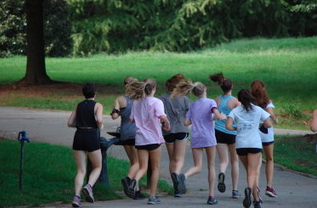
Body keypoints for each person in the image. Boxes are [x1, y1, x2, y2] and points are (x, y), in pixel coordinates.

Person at [171, 79, 226, 205]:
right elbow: (217, 115)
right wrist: (222, 116)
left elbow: (186, 122)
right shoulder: (211, 102)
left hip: (196, 137)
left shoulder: (193, 105)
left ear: (195, 93)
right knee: (210, 166)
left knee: (198, 166)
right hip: (208, 137)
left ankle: (184, 176)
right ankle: (211, 196)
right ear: (205, 89)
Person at [125, 78, 170, 205]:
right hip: (154, 138)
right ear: (154, 89)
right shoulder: (157, 102)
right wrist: (167, 122)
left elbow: (132, 120)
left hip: (140, 139)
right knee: (155, 168)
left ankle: (134, 180)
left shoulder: (136, 102)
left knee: (143, 166)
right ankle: (152, 196)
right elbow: (162, 116)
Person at [226, 89, 272, 208]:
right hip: (254, 143)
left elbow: (228, 126)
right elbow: (269, 124)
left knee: (249, 171)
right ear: (250, 97)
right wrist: (259, 125)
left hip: (241, 144)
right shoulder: (257, 109)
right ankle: (249, 189)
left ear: (239, 99)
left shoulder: (235, 111)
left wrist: (236, 129)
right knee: (253, 172)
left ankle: (256, 200)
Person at [67, 83, 103, 207]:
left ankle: (76, 197)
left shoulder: (79, 105)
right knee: (98, 166)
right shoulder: (98, 105)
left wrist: (79, 123)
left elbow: (70, 123)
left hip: (79, 136)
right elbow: (99, 120)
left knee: (81, 170)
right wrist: (99, 126)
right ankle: (89, 186)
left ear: (84, 93)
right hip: (91, 135)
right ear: (95, 93)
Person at [111, 76, 144, 200]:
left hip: (125, 133)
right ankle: (128, 180)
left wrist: (115, 110)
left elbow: (114, 116)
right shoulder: (140, 99)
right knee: (139, 163)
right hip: (137, 133)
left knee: (133, 163)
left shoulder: (120, 99)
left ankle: (136, 190)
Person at [209, 72, 241, 198]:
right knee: (235, 161)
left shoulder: (217, 99)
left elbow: (212, 114)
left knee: (223, 160)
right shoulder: (236, 102)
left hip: (219, 131)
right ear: (232, 86)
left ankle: (221, 173)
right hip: (232, 132)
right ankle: (235, 190)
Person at [159, 74, 191, 197]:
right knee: (180, 159)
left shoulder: (162, 99)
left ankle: (175, 186)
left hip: (168, 131)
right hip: (181, 129)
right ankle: (177, 175)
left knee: (172, 158)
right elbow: (190, 112)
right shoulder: (184, 98)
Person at [251, 80, 278, 199]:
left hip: (254, 133)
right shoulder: (267, 101)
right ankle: (269, 186)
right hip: (266, 133)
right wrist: (275, 119)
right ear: (263, 89)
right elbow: (270, 113)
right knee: (270, 159)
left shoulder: (250, 102)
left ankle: (256, 186)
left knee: (257, 161)